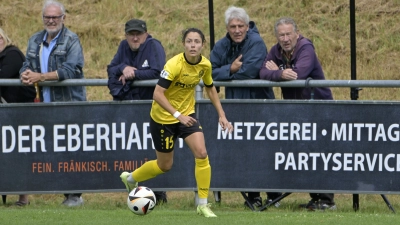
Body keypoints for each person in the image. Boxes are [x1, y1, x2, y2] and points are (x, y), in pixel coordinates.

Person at [119, 28, 233, 217]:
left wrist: (221, 114)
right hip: (163, 118)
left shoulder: (205, 65)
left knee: (202, 153)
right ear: (184, 44)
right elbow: (157, 94)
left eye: (197, 41)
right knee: (165, 165)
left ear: (203, 45)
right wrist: (177, 114)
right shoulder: (174, 65)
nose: (193, 45)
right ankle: (130, 178)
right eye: (189, 41)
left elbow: (211, 88)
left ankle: (203, 204)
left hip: (187, 115)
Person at [259, 17, 335, 210]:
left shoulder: (306, 48)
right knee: (295, 152)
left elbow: (299, 73)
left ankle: (326, 201)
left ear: (296, 34)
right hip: (294, 110)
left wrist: (279, 72)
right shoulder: (275, 51)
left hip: (318, 108)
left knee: (318, 153)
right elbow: (262, 72)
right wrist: (280, 73)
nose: (285, 39)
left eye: (288, 34)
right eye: (281, 35)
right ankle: (298, 197)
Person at [210, 5, 281, 209]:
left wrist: (225, 74)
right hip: (235, 105)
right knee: (245, 151)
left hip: (261, 106)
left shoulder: (257, 43)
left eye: (241, 25)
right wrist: (229, 68)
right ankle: (253, 196)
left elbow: (250, 71)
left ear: (247, 26)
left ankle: (273, 196)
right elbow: (208, 71)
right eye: (233, 26)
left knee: (265, 150)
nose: (237, 30)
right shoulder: (222, 45)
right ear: (227, 27)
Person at [19, 0, 86, 207]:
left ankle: (74, 196)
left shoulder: (72, 40)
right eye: (47, 17)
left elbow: (69, 70)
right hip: (44, 104)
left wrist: (40, 76)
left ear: (63, 18)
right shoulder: (35, 40)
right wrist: (25, 74)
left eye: (55, 17)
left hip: (69, 104)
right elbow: (26, 64)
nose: (50, 20)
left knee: (70, 150)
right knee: (48, 148)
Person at [107, 18, 168, 204]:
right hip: (131, 110)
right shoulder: (123, 47)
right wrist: (123, 67)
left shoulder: (154, 46)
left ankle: (159, 194)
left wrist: (134, 74)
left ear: (146, 34)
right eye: (131, 35)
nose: (135, 38)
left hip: (154, 109)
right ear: (126, 36)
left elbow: (159, 72)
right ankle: (138, 191)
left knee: (155, 151)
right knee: (136, 150)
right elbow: (111, 69)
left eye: (138, 35)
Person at [0, 28, 35, 206]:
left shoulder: (12, 53)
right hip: (6, 113)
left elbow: (2, 75)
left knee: (20, 153)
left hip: (21, 113)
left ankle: (23, 199)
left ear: (4, 38)